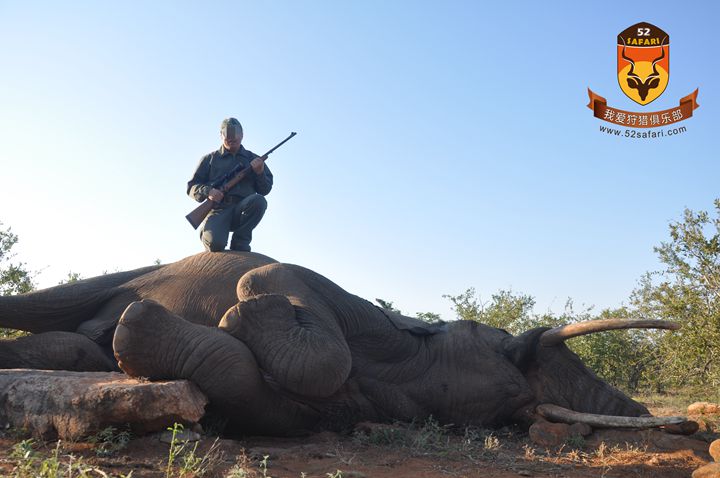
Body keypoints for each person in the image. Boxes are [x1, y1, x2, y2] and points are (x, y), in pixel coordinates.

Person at [187, 118, 273, 252]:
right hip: (218, 210)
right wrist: (208, 191)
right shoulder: (209, 159)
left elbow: (265, 189)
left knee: (259, 201)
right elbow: (191, 187)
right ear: (221, 135)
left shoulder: (254, 159)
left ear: (242, 135)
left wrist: (260, 173)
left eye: (235, 135)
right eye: (228, 135)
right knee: (215, 245)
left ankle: (241, 241)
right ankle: (207, 231)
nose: (232, 139)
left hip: (242, 210)